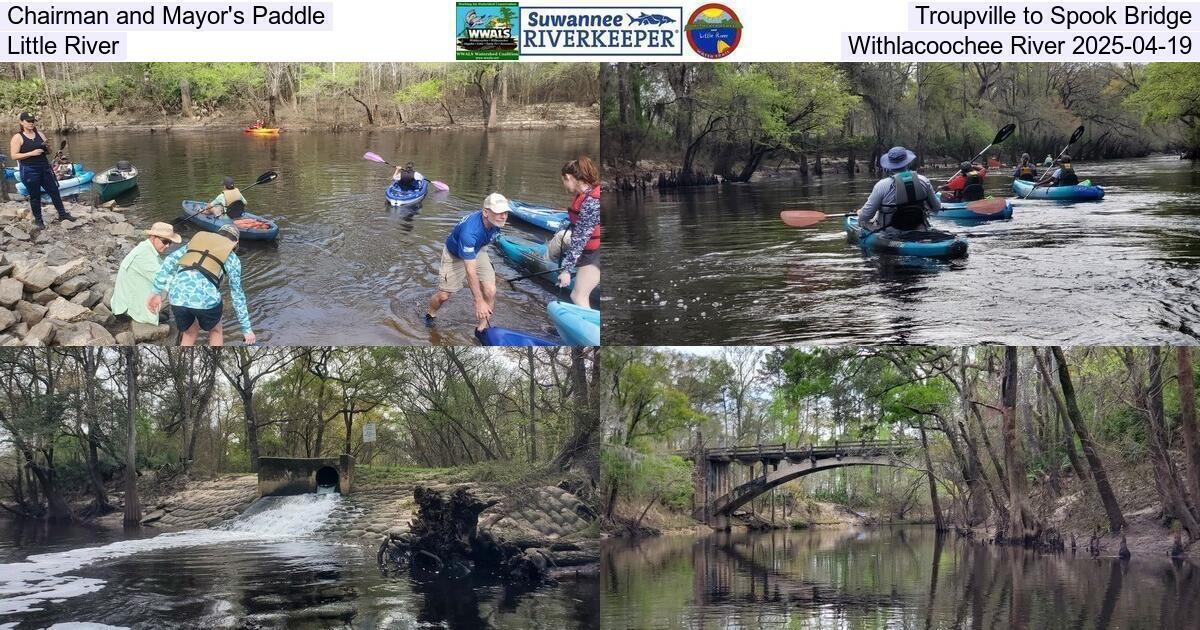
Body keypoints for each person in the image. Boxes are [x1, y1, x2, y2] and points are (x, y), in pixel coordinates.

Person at [147, 224, 256, 346]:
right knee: (215, 331)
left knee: (190, 331)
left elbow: (169, 262)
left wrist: (156, 292)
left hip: (177, 297)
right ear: (236, 242)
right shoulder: (232, 258)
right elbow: (237, 295)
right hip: (205, 300)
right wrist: (247, 330)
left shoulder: (192, 245)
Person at [426, 192, 510, 333]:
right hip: (455, 254)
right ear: (485, 212)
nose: (504, 216)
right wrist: (478, 301)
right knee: (443, 296)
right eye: (499, 212)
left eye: (506, 212)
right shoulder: (469, 233)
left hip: (479, 249)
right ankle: (430, 313)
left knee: (490, 291)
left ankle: (481, 328)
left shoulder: (497, 221)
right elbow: (470, 272)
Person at [546, 156, 600, 309]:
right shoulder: (587, 194)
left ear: (569, 177)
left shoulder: (591, 202)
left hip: (594, 254)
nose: (564, 185)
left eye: (563, 180)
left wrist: (567, 271)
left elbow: (580, 239)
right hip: (592, 251)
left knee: (577, 296)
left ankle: (590, 332)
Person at [8, 112, 74, 229]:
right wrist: (31, 153)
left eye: (33, 121)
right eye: (28, 121)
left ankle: (62, 214)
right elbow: (14, 156)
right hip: (29, 170)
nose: (31, 123)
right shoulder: (18, 137)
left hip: (44, 167)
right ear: (21, 122)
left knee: (54, 191)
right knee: (35, 195)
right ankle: (39, 220)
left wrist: (47, 146)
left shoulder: (40, 134)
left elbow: (48, 151)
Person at [111, 222, 182, 326]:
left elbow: (165, 269)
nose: (167, 246)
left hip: (124, 301)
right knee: (171, 296)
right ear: (153, 237)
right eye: (165, 241)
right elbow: (167, 282)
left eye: (170, 242)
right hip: (127, 310)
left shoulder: (146, 247)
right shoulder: (145, 256)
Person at [858, 146, 941, 232]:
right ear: (908, 163)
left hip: (890, 233)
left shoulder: (881, 186)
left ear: (890, 165)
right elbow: (936, 208)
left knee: (863, 221)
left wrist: (860, 213)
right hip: (920, 230)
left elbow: (865, 217)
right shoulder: (924, 181)